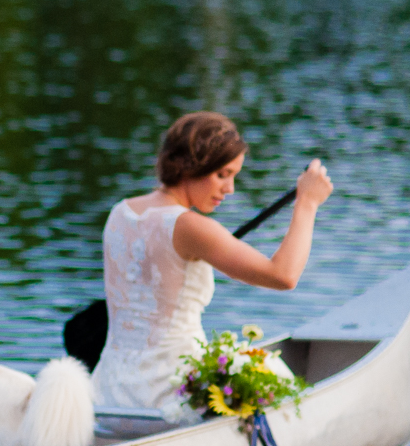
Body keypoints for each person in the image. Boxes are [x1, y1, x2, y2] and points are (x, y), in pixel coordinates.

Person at [90, 111, 332, 412]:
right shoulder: (190, 227)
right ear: (190, 166)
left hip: (108, 392)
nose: (229, 189)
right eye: (222, 174)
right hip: (170, 393)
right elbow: (283, 275)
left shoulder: (120, 212)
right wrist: (307, 203)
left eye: (233, 176)